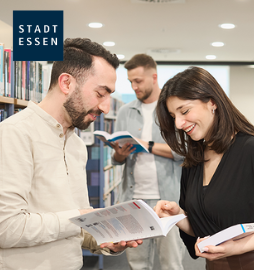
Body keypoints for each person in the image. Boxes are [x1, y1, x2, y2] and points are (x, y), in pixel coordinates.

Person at [0, 38, 141, 269]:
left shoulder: (75, 144)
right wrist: (80, 217)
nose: (106, 107)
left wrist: (105, 240)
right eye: (100, 93)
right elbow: (5, 228)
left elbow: (76, 227)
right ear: (66, 83)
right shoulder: (14, 134)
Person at [152, 67, 254, 269]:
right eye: (173, 116)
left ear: (212, 102)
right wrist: (178, 215)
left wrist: (237, 247)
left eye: (185, 111)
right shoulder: (193, 161)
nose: (178, 123)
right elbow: (202, 228)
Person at [110, 53, 186, 270]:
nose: (134, 86)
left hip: (168, 200)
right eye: (130, 82)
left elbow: (184, 152)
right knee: (137, 263)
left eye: (138, 81)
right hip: (134, 199)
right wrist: (120, 154)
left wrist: (147, 145)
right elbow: (116, 160)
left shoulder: (172, 111)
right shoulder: (125, 111)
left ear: (154, 77)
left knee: (171, 263)